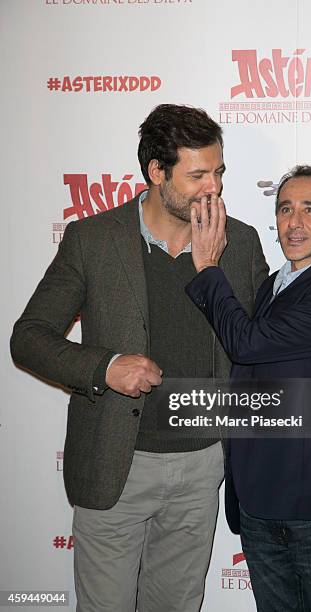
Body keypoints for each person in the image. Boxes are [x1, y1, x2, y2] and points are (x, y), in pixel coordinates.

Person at [10, 104, 270, 612]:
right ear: (156, 172)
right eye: (197, 175)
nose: (212, 188)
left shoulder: (238, 242)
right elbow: (30, 337)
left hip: (202, 465)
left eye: (218, 172)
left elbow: (270, 339)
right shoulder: (93, 239)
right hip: (115, 464)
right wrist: (104, 366)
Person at [186, 166, 311, 611]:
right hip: (260, 503)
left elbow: (248, 344)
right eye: (285, 209)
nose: (294, 222)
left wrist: (208, 266)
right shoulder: (275, 284)